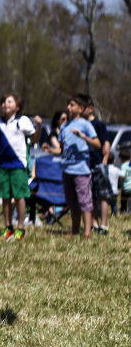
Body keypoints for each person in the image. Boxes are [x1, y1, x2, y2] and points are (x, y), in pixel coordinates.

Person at [0, 93, 37, 241]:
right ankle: (8, 227)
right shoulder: (0, 123)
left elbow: (34, 138)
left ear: (17, 107)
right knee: (5, 197)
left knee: (19, 196)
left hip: (18, 164)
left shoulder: (23, 121)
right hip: (4, 164)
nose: (5, 104)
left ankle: (21, 227)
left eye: (9, 102)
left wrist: (38, 127)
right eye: (3, 102)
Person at [48, 93, 102, 238]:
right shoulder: (64, 127)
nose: (68, 108)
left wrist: (82, 137)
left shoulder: (85, 125)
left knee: (84, 201)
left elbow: (97, 144)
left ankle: (87, 232)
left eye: (72, 105)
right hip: (67, 169)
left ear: (81, 108)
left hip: (81, 169)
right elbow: (61, 149)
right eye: (68, 105)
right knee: (72, 202)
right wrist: (50, 149)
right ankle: (75, 230)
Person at [84, 99, 113, 235]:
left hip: (98, 164)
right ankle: (94, 224)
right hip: (85, 165)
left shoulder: (99, 124)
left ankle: (104, 225)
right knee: (90, 197)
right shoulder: (81, 124)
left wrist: (104, 162)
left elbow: (106, 144)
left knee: (102, 195)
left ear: (90, 108)